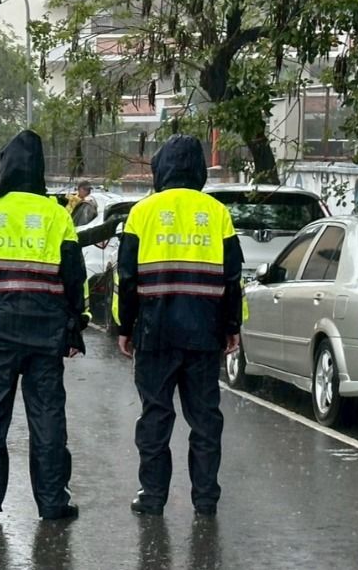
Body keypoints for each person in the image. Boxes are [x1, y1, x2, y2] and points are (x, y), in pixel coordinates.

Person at [0, 129, 87, 522]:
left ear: (5, 168)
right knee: (47, 422)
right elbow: (74, 279)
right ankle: (52, 503)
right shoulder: (56, 216)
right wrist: (74, 327)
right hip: (45, 337)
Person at [115, 135, 243, 518]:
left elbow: (127, 278)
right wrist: (231, 326)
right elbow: (232, 278)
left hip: (155, 333)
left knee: (155, 416)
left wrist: (125, 327)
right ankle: (205, 499)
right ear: (199, 169)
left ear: (161, 168)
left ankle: (153, 497)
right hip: (204, 333)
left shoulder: (142, 212)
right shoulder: (216, 213)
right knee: (205, 420)